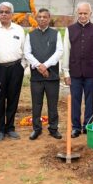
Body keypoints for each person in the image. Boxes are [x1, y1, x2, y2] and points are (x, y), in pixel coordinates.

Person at [62, 2, 93, 138]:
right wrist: (66, 72)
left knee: (90, 101)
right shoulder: (69, 30)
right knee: (75, 100)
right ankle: (75, 127)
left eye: (85, 13)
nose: (82, 16)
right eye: (80, 13)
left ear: (90, 14)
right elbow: (66, 52)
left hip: (91, 73)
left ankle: (87, 126)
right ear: (77, 13)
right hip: (74, 73)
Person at [0, 2, 26, 142]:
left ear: (12, 14)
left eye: (7, 11)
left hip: (16, 68)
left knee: (13, 99)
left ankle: (10, 128)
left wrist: (22, 66)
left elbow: (24, 49)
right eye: (1, 11)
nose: (4, 14)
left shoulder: (19, 29)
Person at [24, 8, 63, 140]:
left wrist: (45, 65)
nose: (42, 19)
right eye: (39, 16)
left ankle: (53, 128)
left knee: (52, 104)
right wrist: (39, 66)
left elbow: (59, 52)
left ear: (49, 18)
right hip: (36, 77)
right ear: (36, 18)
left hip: (52, 76)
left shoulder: (55, 34)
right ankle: (37, 128)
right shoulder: (30, 35)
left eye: (44, 17)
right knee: (36, 104)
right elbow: (27, 53)